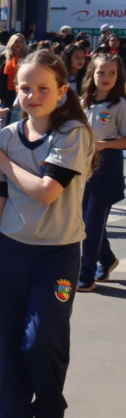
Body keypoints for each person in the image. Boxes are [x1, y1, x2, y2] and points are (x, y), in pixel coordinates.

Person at [0, 50, 96, 418]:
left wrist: (1, 161)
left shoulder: (72, 133)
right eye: (25, 88)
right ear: (15, 90)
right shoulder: (6, 136)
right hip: (11, 253)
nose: (33, 95)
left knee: (42, 341)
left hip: (57, 256)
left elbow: (45, 192)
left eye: (43, 88)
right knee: (9, 345)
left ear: (62, 91)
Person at [76, 54, 126, 292]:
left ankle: (86, 275)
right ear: (91, 74)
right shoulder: (83, 102)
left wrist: (104, 145)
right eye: (101, 72)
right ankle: (106, 259)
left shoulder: (120, 104)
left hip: (107, 167)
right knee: (88, 220)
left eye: (112, 73)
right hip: (83, 166)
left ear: (118, 76)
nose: (106, 77)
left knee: (92, 223)